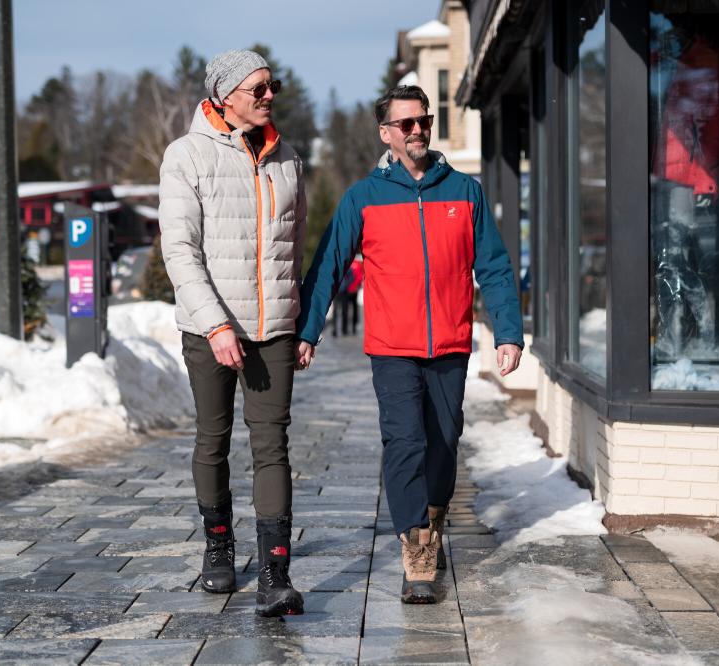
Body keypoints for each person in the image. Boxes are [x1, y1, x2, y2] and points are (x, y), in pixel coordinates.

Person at [295, 85, 523, 604]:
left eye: (424, 120)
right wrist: (308, 331)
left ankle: (434, 524)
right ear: (387, 134)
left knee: (443, 442)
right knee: (405, 443)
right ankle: (416, 548)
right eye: (407, 124)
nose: (417, 130)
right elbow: (328, 265)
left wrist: (508, 331)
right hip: (392, 346)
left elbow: (493, 266)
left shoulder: (464, 191)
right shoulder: (363, 197)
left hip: (449, 344)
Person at [158, 49, 306, 617]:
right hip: (208, 330)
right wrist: (216, 323)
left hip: (272, 331)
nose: (268, 96)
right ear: (223, 95)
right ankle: (218, 544)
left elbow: (295, 245)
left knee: (272, 446)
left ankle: (275, 571)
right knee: (212, 438)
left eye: (272, 85)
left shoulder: (287, 158)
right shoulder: (186, 156)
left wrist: (300, 321)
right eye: (257, 88)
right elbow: (180, 250)